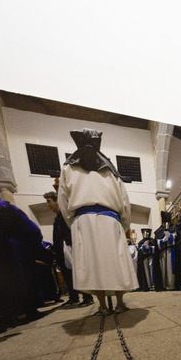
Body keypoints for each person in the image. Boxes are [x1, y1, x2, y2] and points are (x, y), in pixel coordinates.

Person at [57, 128, 137, 315]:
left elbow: (63, 200)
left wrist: (73, 223)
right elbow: (124, 201)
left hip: (82, 220)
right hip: (111, 219)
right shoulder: (110, 170)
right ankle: (119, 303)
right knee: (115, 260)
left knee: (93, 263)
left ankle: (101, 306)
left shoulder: (68, 168)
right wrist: (123, 224)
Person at [44, 187, 92, 307]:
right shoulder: (59, 217)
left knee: (76, 273)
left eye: (49, 201)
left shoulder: (65, 216)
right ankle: (74, 297)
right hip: (63, 249)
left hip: (69, 248)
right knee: (67, 274)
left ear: (57, 201)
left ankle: (87, 297)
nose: (48, 205)